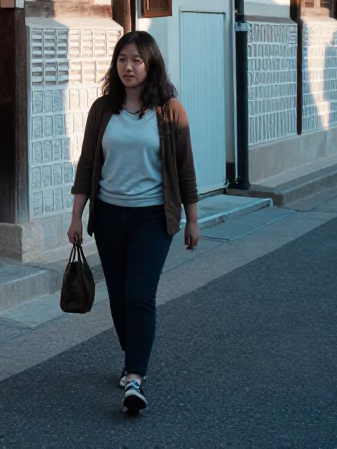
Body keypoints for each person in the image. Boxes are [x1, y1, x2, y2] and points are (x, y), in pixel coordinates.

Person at [66, 31, 200, 414]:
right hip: (109, 216)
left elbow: (185, 169)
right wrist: (77, 215)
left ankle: (135, 376)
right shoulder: (102, 110)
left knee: (140, 293)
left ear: (151, 64)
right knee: (121, 298)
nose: (129, 66)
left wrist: (192, 220)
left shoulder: (171, 111)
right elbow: (88, 164)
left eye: (137, 60)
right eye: (123, 59)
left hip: (153, 218)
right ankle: (133, 357)